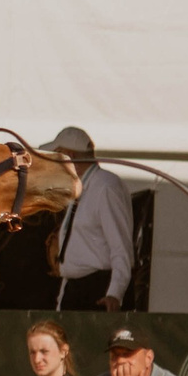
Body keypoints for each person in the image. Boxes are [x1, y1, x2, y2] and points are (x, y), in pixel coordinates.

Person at [38, 126, 132, 311]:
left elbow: (120, 245)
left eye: (58, 156)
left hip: (98, 288)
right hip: (76, 288)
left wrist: (114, 293)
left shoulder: (105, 186)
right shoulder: (82, 187)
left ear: (70, 156)